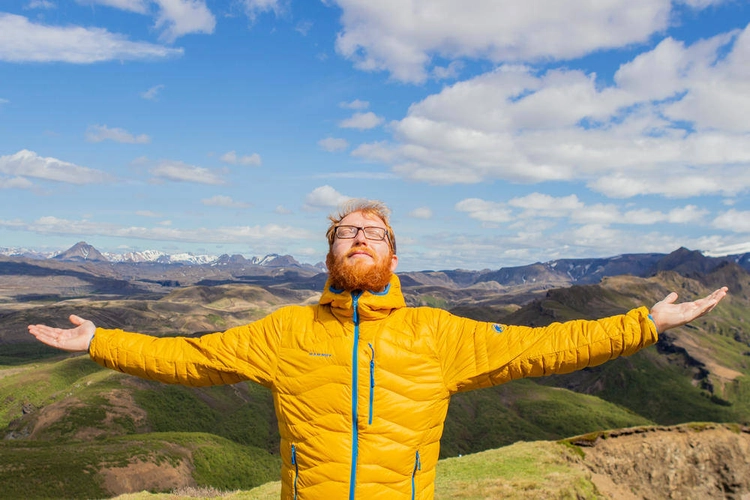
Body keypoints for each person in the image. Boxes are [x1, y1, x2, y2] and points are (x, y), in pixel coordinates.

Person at [28, 199, 728, 500]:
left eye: (374, 232)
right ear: (329, 251)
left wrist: (644, 324)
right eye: (347, 232)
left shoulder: (438, 333)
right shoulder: (285, 331)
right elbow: (188, 357)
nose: (360, 238)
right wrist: (101, 343)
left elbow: (546, 347)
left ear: (394, 254)